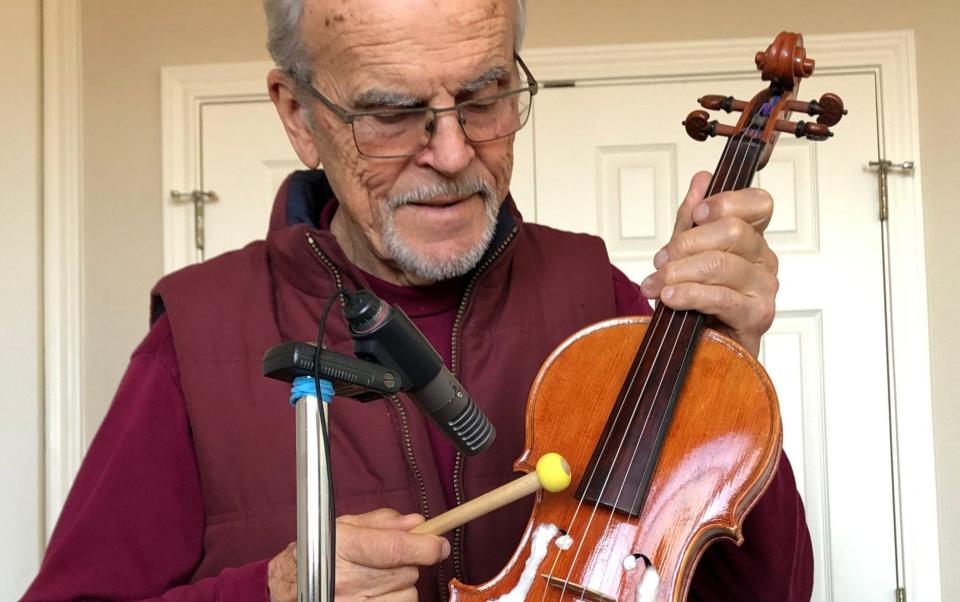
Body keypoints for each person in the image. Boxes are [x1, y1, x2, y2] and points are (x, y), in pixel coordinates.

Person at [24, 0, 812, 600]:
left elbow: (763, 591)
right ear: (299, 117)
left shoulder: (601, 304)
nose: (451, 153)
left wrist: (727, 364)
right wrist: (270, 591)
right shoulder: (194, 340)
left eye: (484, 98)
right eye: (391, 114)